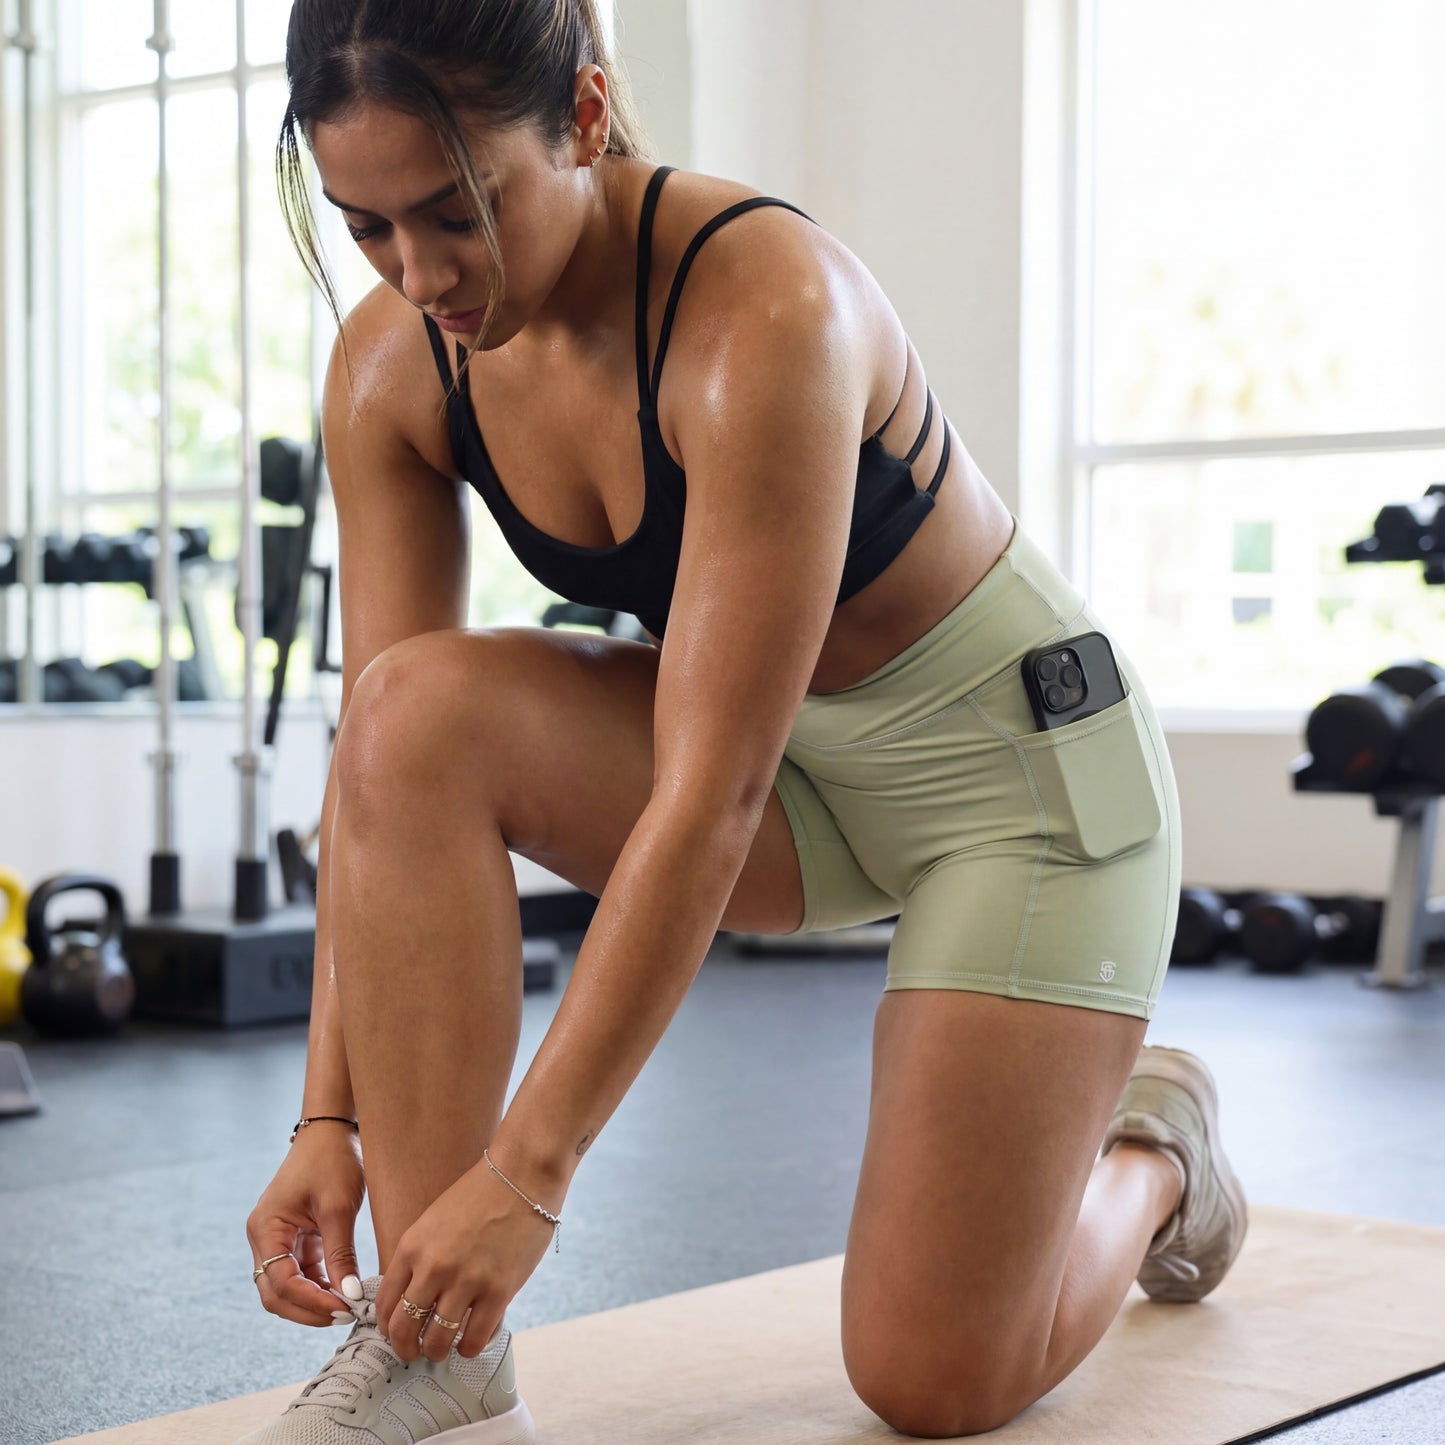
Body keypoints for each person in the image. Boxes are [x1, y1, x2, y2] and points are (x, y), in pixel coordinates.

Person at [242, 1, 1248, 1440]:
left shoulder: (766, 306)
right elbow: (374, 784)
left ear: (584, 119)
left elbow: (700, 802)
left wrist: (528, 1175)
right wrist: (325, 1119)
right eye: (368, 228)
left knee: (931, 1379)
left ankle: (1154, 1142)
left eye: (457, 213)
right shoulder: (392, 365)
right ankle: (439, 1346)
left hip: (1008, 788)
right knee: (404, 716)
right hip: (792, 777)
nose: (422, 274)